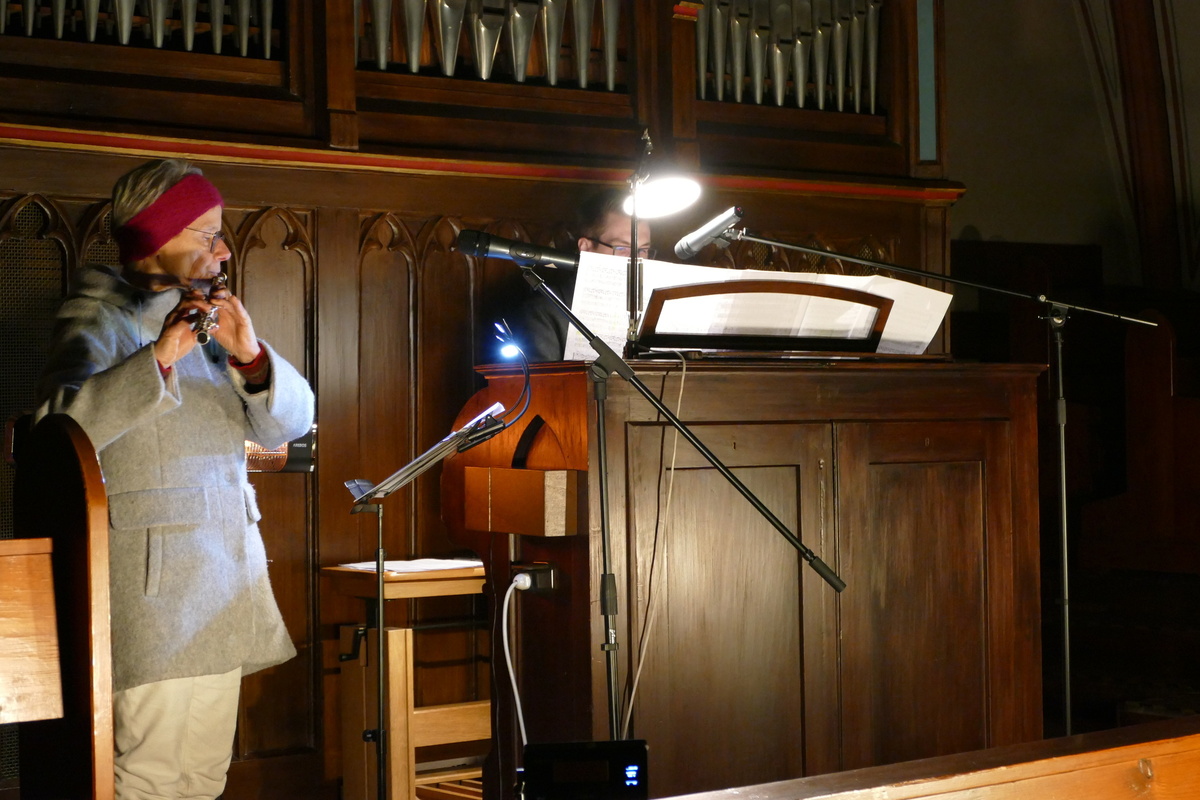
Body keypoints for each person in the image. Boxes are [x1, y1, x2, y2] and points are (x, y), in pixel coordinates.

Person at [35, 158, 315, 800]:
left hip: (223, 577)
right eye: (208, 233)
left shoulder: (209, 319)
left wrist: (252, 357)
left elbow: (290, 424)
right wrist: (158, 358)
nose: (224, 250)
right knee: (149, 778)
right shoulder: (98, 315)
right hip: (154, 587)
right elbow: (56, 433)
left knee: (204, 777)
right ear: (157, 235)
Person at [505, 187, 653, 362]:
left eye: (643, 250)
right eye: (622, 248)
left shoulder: (655, 307)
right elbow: (540, 379)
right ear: (586, 247)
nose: (636, 260)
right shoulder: (544, 311)